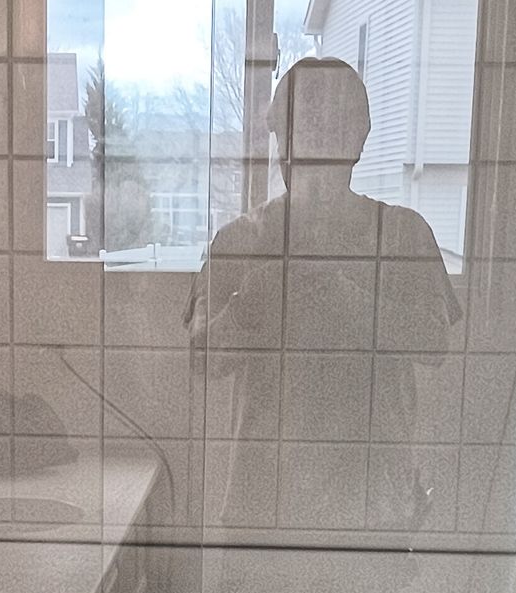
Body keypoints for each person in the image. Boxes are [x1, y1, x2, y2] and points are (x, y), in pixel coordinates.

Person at [190, 56, 461, 524]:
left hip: (369, 508)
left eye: (329, 129)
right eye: (302, 130)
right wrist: (258, 299)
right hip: (266, 504)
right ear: (281, 140)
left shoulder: (403, 233)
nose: (313, 146)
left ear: (356, 139)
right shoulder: (243, 239)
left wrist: (344, 295)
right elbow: (203, 356)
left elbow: (434, 342)